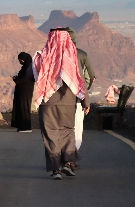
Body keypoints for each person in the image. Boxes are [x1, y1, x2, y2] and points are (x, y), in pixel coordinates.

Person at [31, 27, 90, 180]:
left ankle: (56, 170)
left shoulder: (41, 56)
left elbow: (33, 76)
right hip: (68, 104)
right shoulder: (72, 57)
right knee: (67, 132)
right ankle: (67, 163)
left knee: (51, 135)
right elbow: (79, 81)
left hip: (47, 104)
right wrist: (85, 102)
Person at [66, 27, 96, 155]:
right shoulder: (82, 55)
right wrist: (84, 96)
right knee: (77, 127)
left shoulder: (55, 54)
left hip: (59, 100)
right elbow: (90, 77)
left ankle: (63, 156)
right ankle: (72, 155)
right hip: (77, 99)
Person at [11, 52, 35, 132]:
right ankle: (21, 126)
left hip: (26, 91)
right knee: (20, 107)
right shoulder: (25, 67)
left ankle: (26, 127)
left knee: (24, 107)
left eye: (21, 60)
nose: (21, 61)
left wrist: (18, 80)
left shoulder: (29, 68)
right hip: (21, 90)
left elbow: (26, 79)